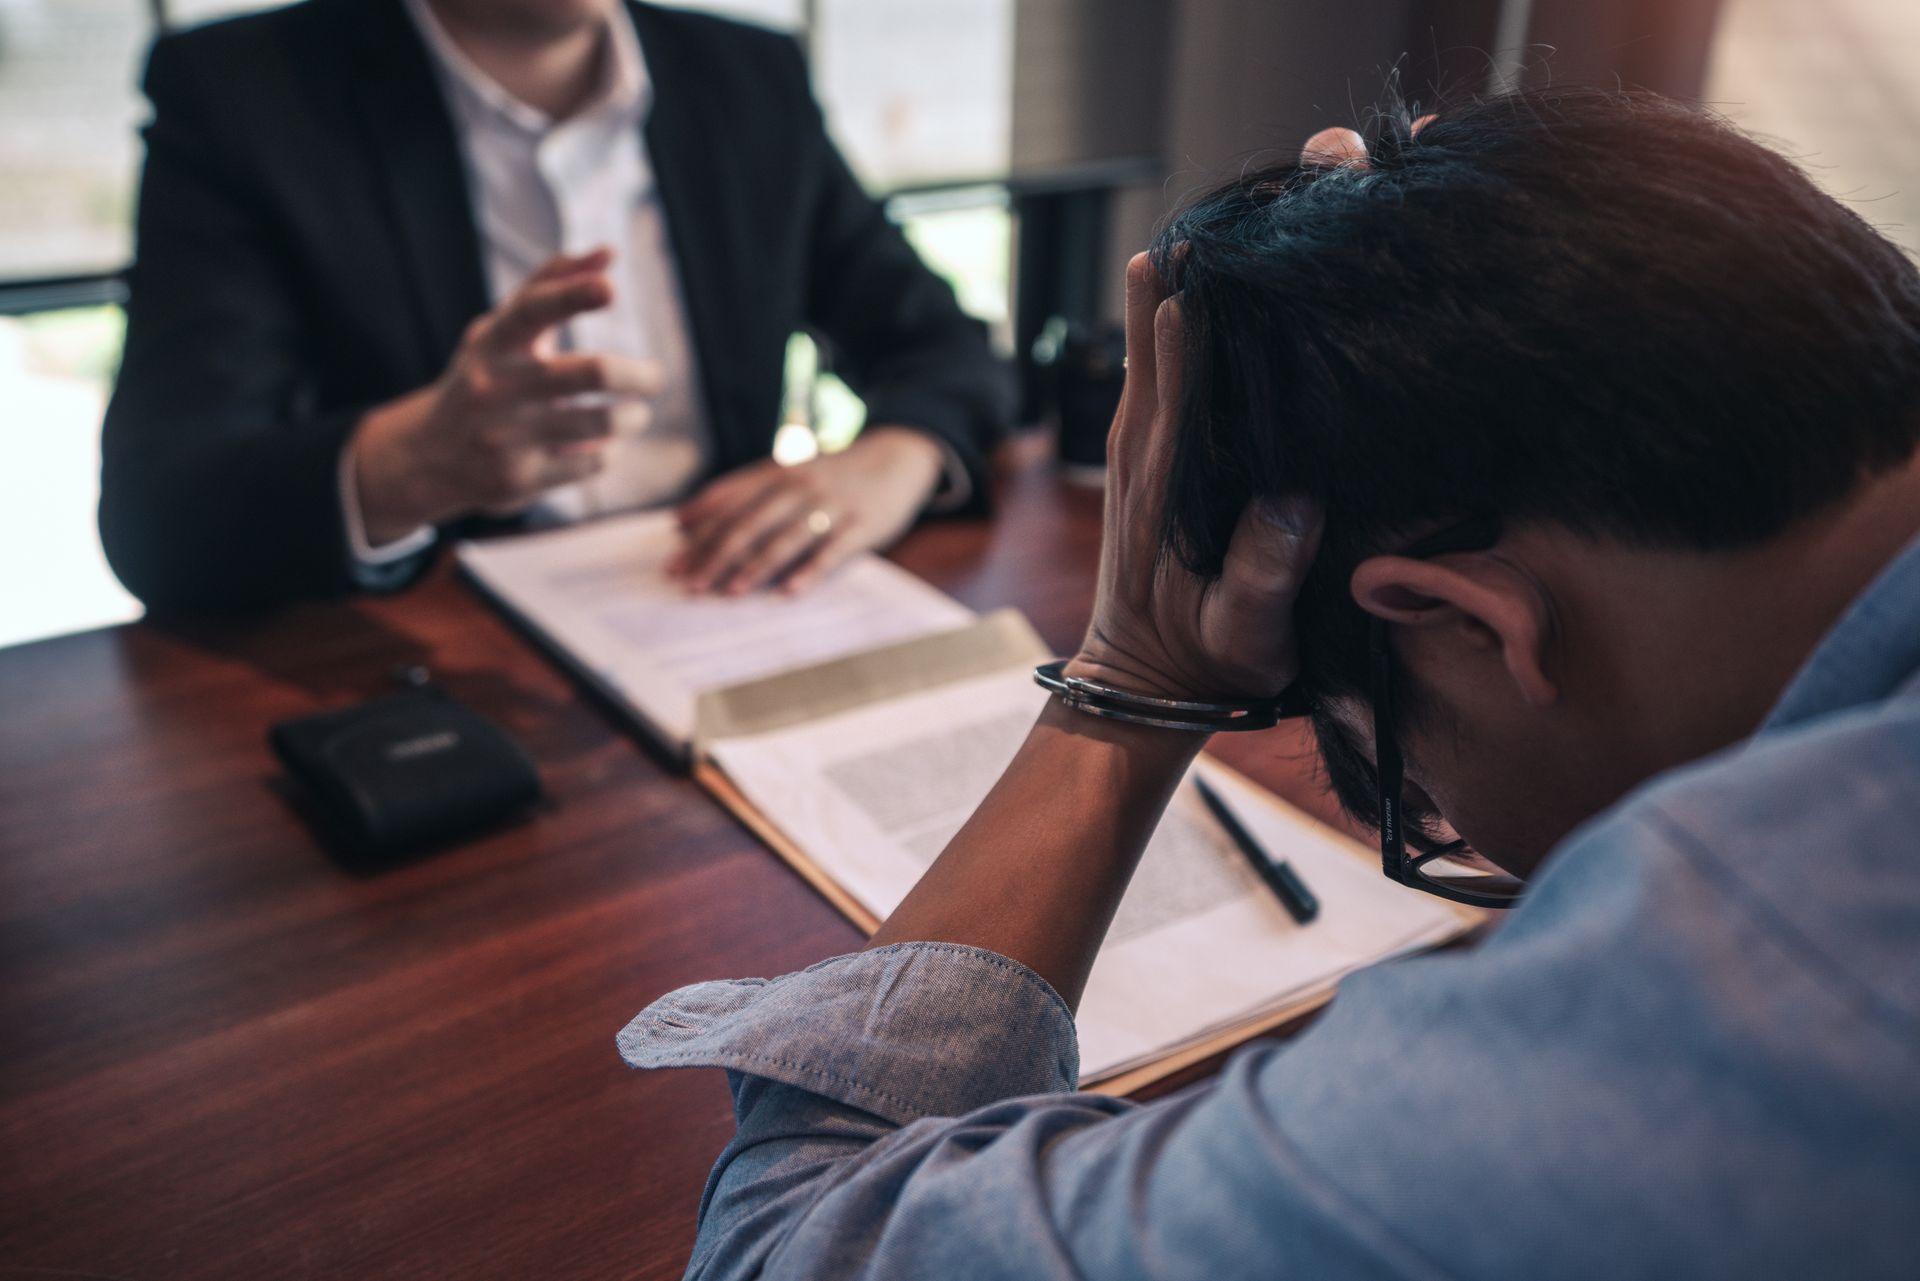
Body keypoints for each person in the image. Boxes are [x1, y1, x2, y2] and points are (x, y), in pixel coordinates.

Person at [617, 90, 1920, 1278]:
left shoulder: (1719, 1006)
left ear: (1466, 623)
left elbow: (793, 1246)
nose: (1414, 799)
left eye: (1374, 757)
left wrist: (1130, 674)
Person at [99, 0, 1012, 611]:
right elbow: (160, 512)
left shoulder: (748, 79)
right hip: (430, 668)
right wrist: (407, 464)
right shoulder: (242, 93)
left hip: (729, 606)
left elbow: (945, 348)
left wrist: (897, 456)